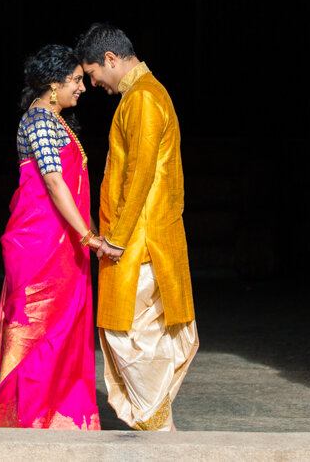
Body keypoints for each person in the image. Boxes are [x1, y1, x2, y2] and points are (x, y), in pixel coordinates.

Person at [75, 23, 198, 431]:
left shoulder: (143, 98)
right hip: (141, 237)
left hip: (139, 242)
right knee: (140, 336)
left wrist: (115, 239)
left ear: (111, 59)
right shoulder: (142, 95)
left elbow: (140, 176)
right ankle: (156, 421)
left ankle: (156, 423)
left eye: (93, 74)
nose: (93, 84)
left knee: (126, 334)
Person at [0, 44, 102, 429]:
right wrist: (88, 236)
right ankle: (28, 419)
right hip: (40, 244)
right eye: (75, 80)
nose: (82, 87)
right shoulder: (39, 121)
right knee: (37, 328)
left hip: (63, 239)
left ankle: (57, 415)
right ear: (53, 85)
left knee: (66, 328)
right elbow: (53, 181)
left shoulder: (57, 121)